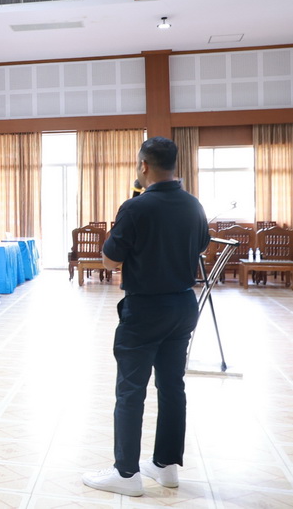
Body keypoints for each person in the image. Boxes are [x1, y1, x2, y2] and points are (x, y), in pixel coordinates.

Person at [82, 137, 210, 497]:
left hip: (145, 309)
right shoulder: (194, 205)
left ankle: (126, 473)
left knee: (131, 389)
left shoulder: (135, 207)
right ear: (175, 164)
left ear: (143, 166)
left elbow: (110, 259)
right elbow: (201, 245)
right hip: (183, 306)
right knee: (172, 386)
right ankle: (166, 466)